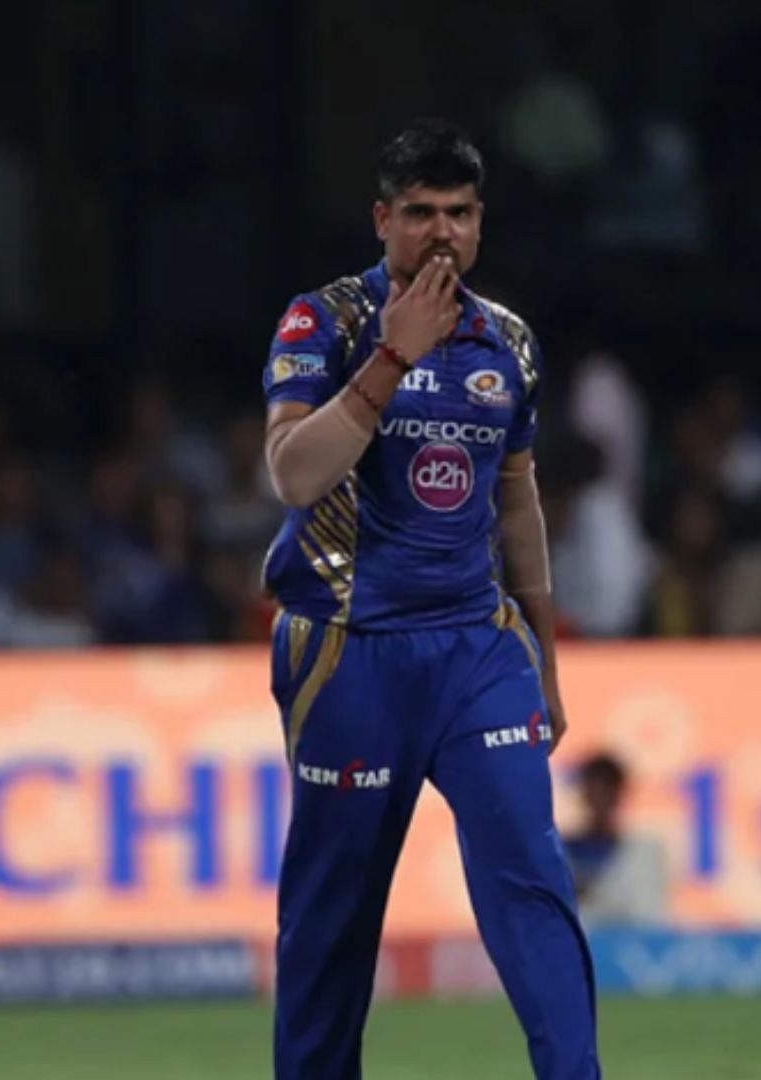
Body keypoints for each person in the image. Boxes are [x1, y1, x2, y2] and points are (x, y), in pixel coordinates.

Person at [260, 120, 599, 1078]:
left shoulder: (510, 341)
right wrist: (392, 359)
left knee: (532, 884)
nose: (440, 232)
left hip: (476, 651)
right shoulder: (321, 322)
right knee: (334, 919)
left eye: (458, 213)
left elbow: (517, 497)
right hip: (348, 651)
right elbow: (292, 475)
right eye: (419, 214)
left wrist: (545, 657)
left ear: (480, 223)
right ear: (383, 220)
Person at [563, 753, 670, 926]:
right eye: (593, 790)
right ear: (583, 794)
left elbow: (649, 916)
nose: (599, 798)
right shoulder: (561, 852)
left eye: (606, 790)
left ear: (619, 793)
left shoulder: (644, 853)